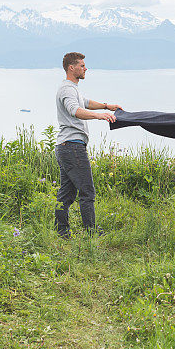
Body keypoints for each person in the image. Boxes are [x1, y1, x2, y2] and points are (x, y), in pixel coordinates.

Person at [54, 52, 123, 238]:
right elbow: (75, 110)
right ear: (71, 68)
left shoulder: (71, 88)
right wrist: (100, 116)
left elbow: (86, 103)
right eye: (82, 66)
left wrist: (107, 106)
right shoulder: (67, 90)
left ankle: (61, 232)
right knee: (87, 191)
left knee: (66, 193)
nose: (86, 69)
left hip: (65, 147)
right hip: (72, 147)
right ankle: (91, 233)